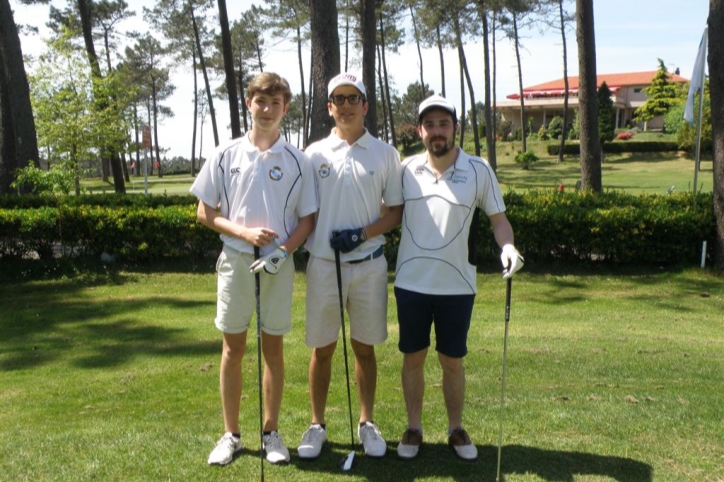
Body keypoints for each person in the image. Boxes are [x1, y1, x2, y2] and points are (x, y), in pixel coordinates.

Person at [190, 72, 317, 466]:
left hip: (278, 264)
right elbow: (205, 212)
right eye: (261, 102)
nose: (267, 110)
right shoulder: (225, 153)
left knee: (273, 348)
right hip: (236, 260)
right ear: (249, 103)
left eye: (275, 103)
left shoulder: (298, 160)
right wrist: (243, 232)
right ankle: (230, 434)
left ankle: (271, 432)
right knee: (233, 347)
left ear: (285, 109)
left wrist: (281, 253)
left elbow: (307, 220)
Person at [393, 95, 523, 461]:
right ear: (420, 131)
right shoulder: (405, 170)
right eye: (429, 125)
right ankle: (414, 428)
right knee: (412, 357)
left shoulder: (479, 170)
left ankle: (455, 428)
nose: (437, 131)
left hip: (457, 286)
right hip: (411, 282)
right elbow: (387, 214)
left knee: (452, 360)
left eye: (443, 124)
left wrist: (508, 248)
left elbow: (499, 221)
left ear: (455, 128)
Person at [297, 72, 404, 460]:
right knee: (322, 348)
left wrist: (361, 234)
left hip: (368, 263)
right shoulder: (313, 154)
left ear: (365, 104)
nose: (345, 105)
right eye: (337, 99)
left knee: (363, 348)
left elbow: (394, 213)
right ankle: (317, 423)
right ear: (329, 107)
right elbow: (303, 212)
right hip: (325, 264)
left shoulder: (385, 154)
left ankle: (366, 422)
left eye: (352, 98)